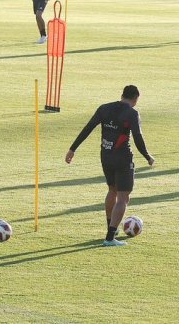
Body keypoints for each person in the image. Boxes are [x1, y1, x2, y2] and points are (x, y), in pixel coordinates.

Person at [66, 85, 155, 247]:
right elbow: (137, 137)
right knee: (123, 198)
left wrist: (72, 149)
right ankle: (109, 238)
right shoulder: (132, 113)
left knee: (112, 190)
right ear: (135, 99)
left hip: (105, 156)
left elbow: (88, 128)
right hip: (122, 158)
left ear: (122, 95)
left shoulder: (104, 108)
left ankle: (111, 228)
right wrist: (147, 156)